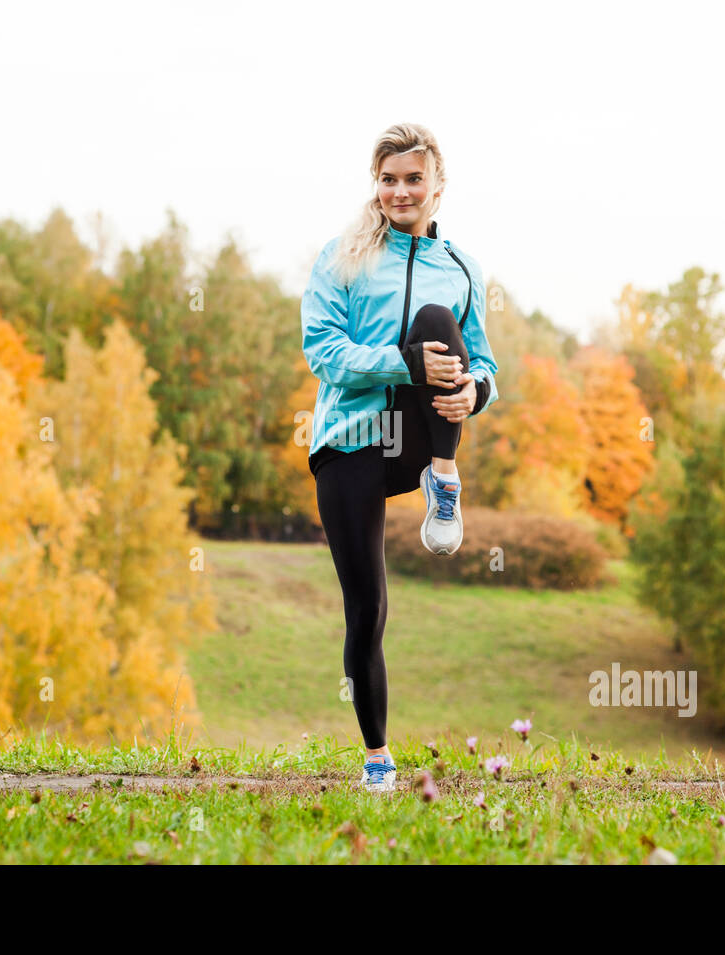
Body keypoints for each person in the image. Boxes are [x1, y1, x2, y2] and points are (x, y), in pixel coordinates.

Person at [300, 123, 499, 792]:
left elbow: (484, 360)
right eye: (389, 178)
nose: (401, 190)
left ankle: (444, 480)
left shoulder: (462, 267)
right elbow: (324, 353)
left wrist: (476, 389)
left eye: (414, 178)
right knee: (367, 605)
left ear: (437, 187)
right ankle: (378, 757)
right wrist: (402, 364)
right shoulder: (342, 257)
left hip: (418, 435)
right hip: (352, 439)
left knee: (438, 326)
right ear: (376, 185)